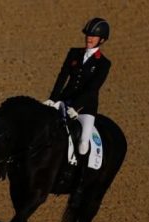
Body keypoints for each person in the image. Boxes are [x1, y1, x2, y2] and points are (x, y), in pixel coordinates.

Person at [43, 17, 111, 157]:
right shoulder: (74, 53)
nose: (89, 38)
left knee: (83, 146)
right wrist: (53, 98)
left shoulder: (103, 63)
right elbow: (62, 77)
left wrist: (76, 107)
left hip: (85, 107)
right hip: (64, 100)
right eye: (88, 35)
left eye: (93, 36)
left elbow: (93, 89)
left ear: (102, 40)